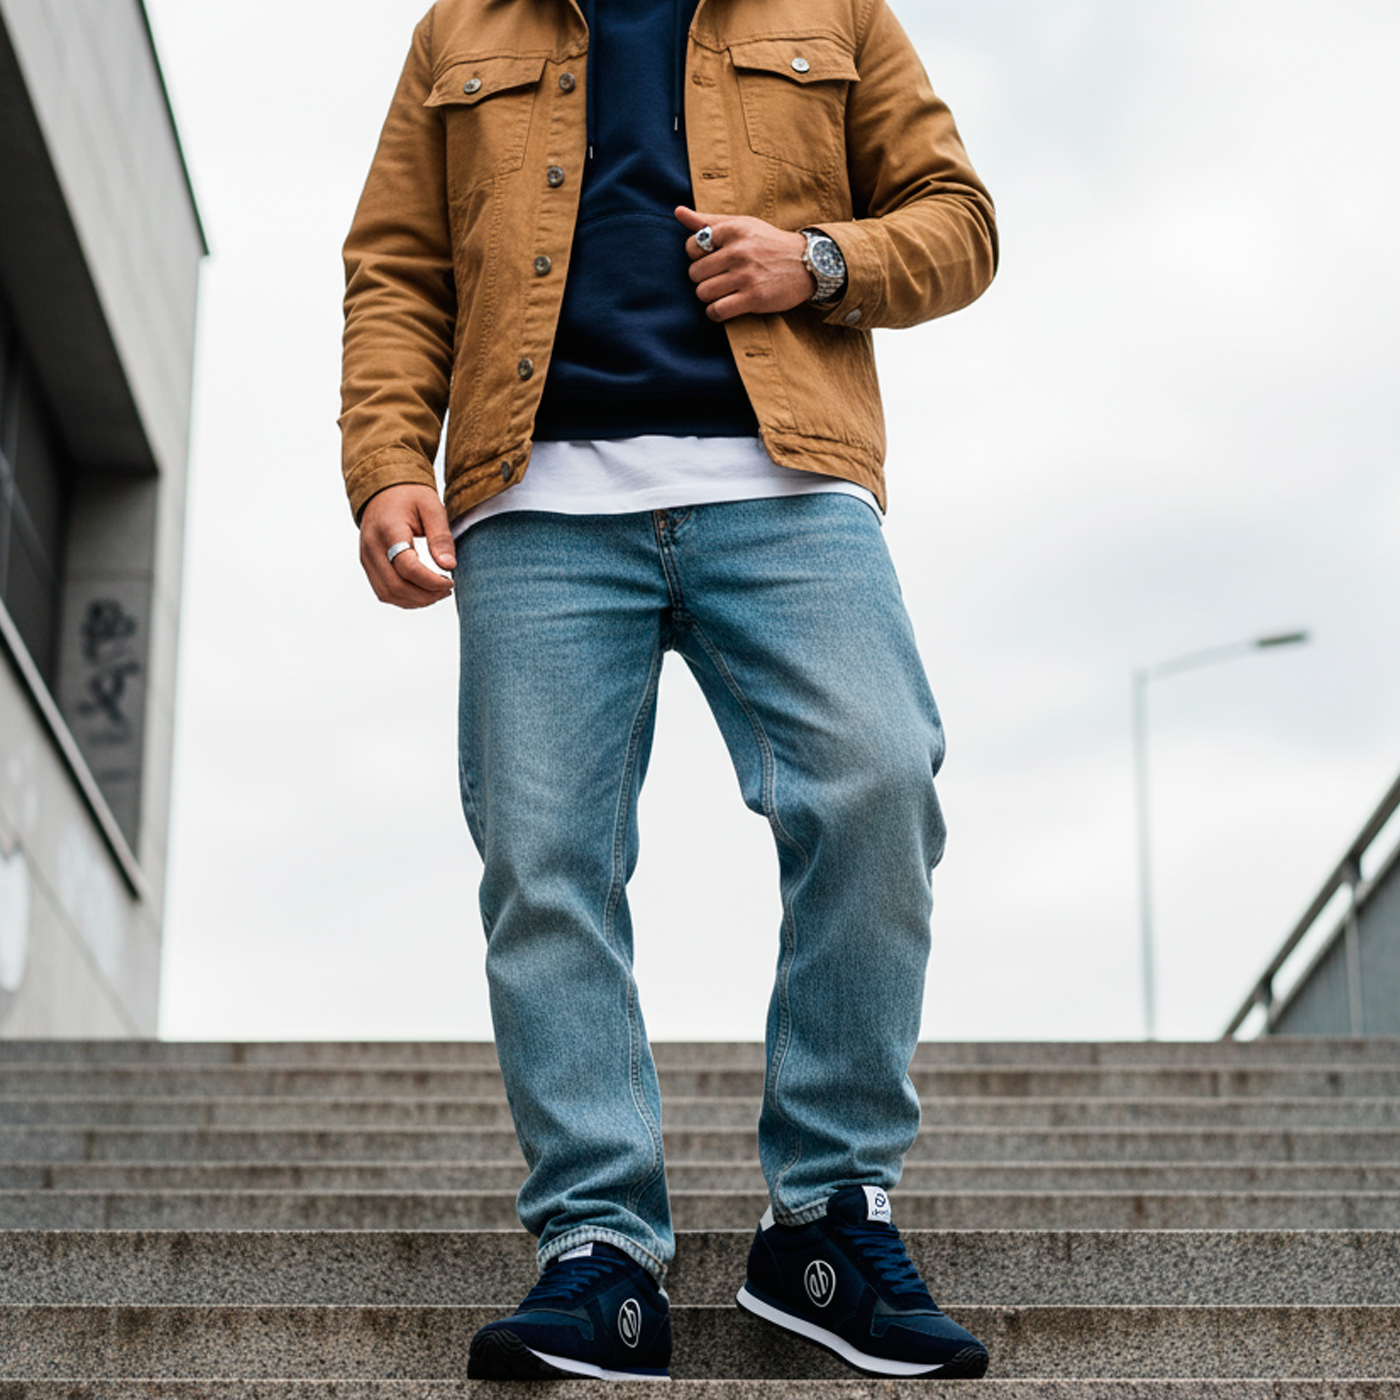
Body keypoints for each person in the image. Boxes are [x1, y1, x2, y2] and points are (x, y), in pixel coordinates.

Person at [341, 0, 997, 1382]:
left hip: (788, 486)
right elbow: (397, 267)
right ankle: (599, 1249)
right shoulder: (461, 25)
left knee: (878, 778)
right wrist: (389, 457)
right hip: (533, 503)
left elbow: (959, 220)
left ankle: (826, 1222)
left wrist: (819, 260)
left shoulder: (835, 9)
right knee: (545, 860)